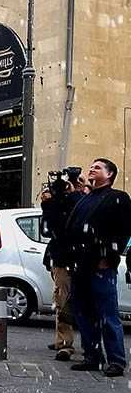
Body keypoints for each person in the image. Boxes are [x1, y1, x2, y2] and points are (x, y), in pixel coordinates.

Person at [64, 158, 131, 377]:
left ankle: (116, 361)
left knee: (107, 314)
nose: (92, 169)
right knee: (83, 313)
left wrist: (108, 256)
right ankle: (92, 356)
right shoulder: (85, 199)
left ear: (110, 174)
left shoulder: (117, 198)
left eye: (98, 167)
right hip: (80, 265)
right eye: (91, 166)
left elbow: (123, 231)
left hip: (101, 265)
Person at [39, 167, 84, 362]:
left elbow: (68, 223)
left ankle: (66, 343)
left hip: (73, 258)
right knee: (61, 299)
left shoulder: (80, 202)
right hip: (62, 259)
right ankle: (63, 341)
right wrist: (49, 203)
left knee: (65, 301)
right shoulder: (60, 204)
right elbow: (51, 225)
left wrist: (75, 194)